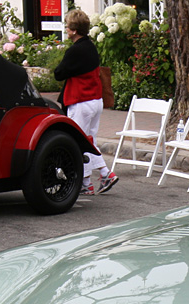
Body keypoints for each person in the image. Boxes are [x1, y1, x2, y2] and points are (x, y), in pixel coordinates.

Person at [53, 9, 117, 195]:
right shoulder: (90, 46)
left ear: (73, 30)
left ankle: (97, 177)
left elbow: (58, 73)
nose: (66, 29)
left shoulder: (74, 51)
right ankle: (93, 179)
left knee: (79, 142)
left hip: (80, 100)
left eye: (67, 26)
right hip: (95, 100)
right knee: (89, 140)